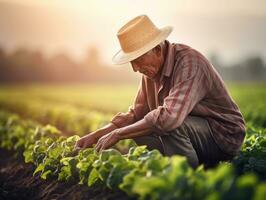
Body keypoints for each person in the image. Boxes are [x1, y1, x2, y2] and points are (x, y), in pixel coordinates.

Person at [75, 15, 246, 169]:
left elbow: (170, 118)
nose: (135, 69)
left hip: (222, 136)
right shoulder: (151, 70)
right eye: (132, 62)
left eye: (138, 60)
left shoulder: (190, 63)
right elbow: (136, 114)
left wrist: (118, 134)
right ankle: (173, 164)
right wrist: (97, 135)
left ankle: (184, 176)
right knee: (139, 130)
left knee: (170, 125)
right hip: (196, 133)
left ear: (157, 49)